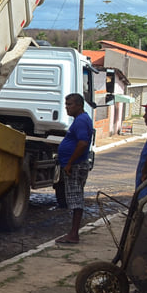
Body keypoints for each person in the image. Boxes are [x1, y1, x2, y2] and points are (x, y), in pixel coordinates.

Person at [55, 93, 93, 244]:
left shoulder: (81, 120)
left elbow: (83, 143)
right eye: (66, 105)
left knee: (75, 198)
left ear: (79, 105)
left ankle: (73, 234)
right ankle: (73, 233)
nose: (67, 108)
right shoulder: (80, 119)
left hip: (76, 165)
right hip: (75, 163)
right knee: (75, 197)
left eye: (70, 104)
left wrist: (70, 163)